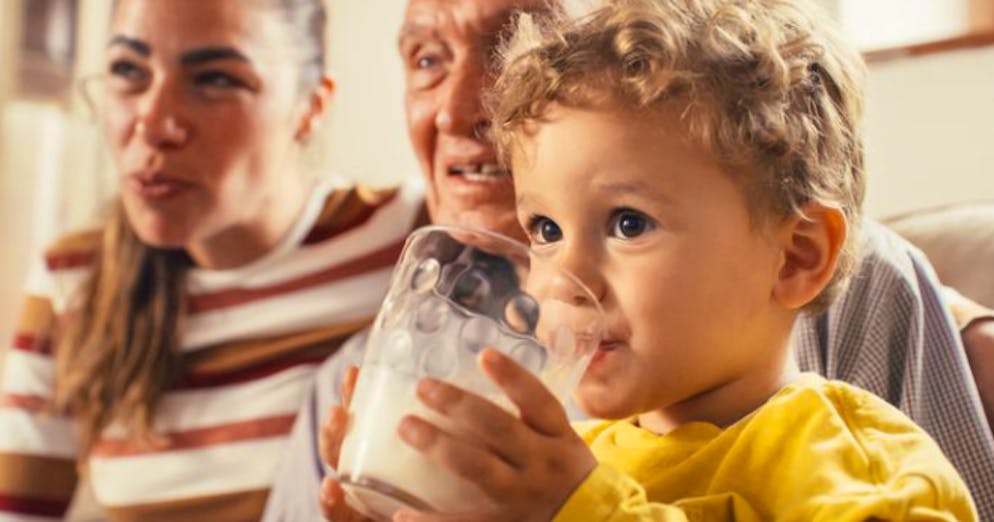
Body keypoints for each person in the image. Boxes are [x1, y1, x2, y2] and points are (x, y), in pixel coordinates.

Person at [261, 0, 994, 520]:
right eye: (544, 229)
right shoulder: (565, 460)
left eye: (627, 222)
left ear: (795, 257)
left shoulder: (861, 462)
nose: (563, 278)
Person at [0, 0, 423, 519]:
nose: (154, 124)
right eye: (129, 71)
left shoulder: (411, 244)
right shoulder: (76, 278)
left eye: (216, 80)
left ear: (310, 107)